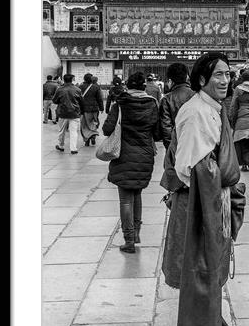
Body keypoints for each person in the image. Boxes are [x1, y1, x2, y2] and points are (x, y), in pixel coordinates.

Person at [160, 52, 247, 326]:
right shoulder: (196, 112)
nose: (225, 80)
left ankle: (214, 320)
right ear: (200, 80)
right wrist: (223, 179)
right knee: (200, 267)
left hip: (212, 195)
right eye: (218, 75)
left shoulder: (213, 107)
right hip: (199, 199)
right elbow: (192, 167)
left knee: (214, 262)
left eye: (228, 74)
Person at [102, 72, 160, 253]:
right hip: (144, 155)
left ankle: (129, 240)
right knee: (137, 194)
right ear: (144, 86)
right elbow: (157, 133)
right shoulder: (152, 103)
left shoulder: (120, 104)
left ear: (128, 86)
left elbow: (106, 129)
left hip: (123, 155)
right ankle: (136, 233)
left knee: (125, 200)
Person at [158, 62, 195, 150]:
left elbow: (166, 127)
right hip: (195, 147)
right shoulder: (197, 96)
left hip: (175, 146)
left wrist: (171, 148)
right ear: (187, 77)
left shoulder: (167, 99)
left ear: (170, 80)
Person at [52, 74, 85, 155]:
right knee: (74, 131)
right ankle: (73, 148)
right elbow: (81, 102)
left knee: (62, 131)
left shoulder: (60, 89)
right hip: (75, 112)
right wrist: (82, 112)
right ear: (72, 80)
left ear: (64, 79)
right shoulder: (77, 89)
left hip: (62, 112)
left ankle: (61, 146)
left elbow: (55, 100)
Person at [79, 73, 104, 147]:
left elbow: (79, 98)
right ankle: (93, 136)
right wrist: (101, 108)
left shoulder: (80, 87)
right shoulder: (96, 87)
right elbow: (99, 99)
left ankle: (86, 139)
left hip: (84, 109)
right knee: (94, 122)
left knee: (85, 124)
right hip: (94, 109)